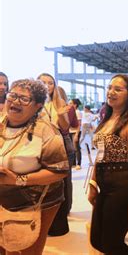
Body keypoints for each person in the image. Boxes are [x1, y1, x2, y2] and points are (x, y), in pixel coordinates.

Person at [0, 79, 69, 255]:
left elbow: (59, 171)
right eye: (12, 95)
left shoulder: (47, 131)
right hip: (3, 197)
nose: (15, 101)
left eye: (23, 99)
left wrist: (19, 180)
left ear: (38, 106)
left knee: (25, 248)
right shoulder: (1, 123)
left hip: (35, 200)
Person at [88, 74, 128, 254]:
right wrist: (93, 183)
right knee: (97, 240)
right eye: (109, 87)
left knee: (111, 243)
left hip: (123, 184)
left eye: (118, 89)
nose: (111, 92)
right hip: (104, 183)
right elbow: (100, 155)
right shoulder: (106, 120)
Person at [38, 73, 74, 236]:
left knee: (60, 181)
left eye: (50, 83)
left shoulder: (58, 102)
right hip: (37, 146)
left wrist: (61, 114)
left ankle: (59, 219)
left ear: (54, 86)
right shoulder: (32, 102)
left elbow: (65, 127)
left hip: (58, 144)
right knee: (39, 183)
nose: (47, 85)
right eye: (43, 82)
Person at [69, 99, 82, 169]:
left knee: (76, 148)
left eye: (71, 103)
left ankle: (78, 163)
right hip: (70, 131)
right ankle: (73, 163)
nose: (69, 104)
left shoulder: (77, 112)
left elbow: (79, 124)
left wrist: (77, 134)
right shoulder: (71, 112)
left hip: (75, 132)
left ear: (75, 105)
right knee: (72, 148)